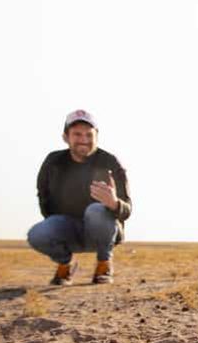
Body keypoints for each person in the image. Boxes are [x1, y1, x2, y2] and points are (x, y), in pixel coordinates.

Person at [27, 109, 132, 285]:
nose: (84, 139)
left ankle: (104, 264)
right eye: (77, 134)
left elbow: (127, 209)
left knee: (96, 210)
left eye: (89, 135)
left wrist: (114, 204)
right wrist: (56, 225)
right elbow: (42, 195)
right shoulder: (53, 162)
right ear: (66, 137)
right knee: (37, 234)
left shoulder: (110, 162)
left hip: (103, 231)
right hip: (68, 229)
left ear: (96, 136)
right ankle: (65, 264)